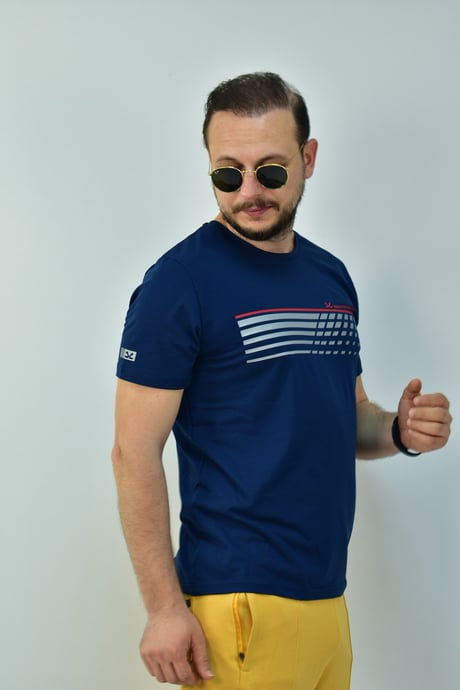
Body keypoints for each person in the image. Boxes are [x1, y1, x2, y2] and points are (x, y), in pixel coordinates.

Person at [111, 72, 452, 689]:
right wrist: (163, 609)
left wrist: (399, 431)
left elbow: (349, 416)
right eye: (228, 174)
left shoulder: (330, 278)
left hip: (327, 599)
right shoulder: (179, 284)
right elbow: (133, 452)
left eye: (270, 171)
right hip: (236, 606)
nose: (249, 191)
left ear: (308, 159)